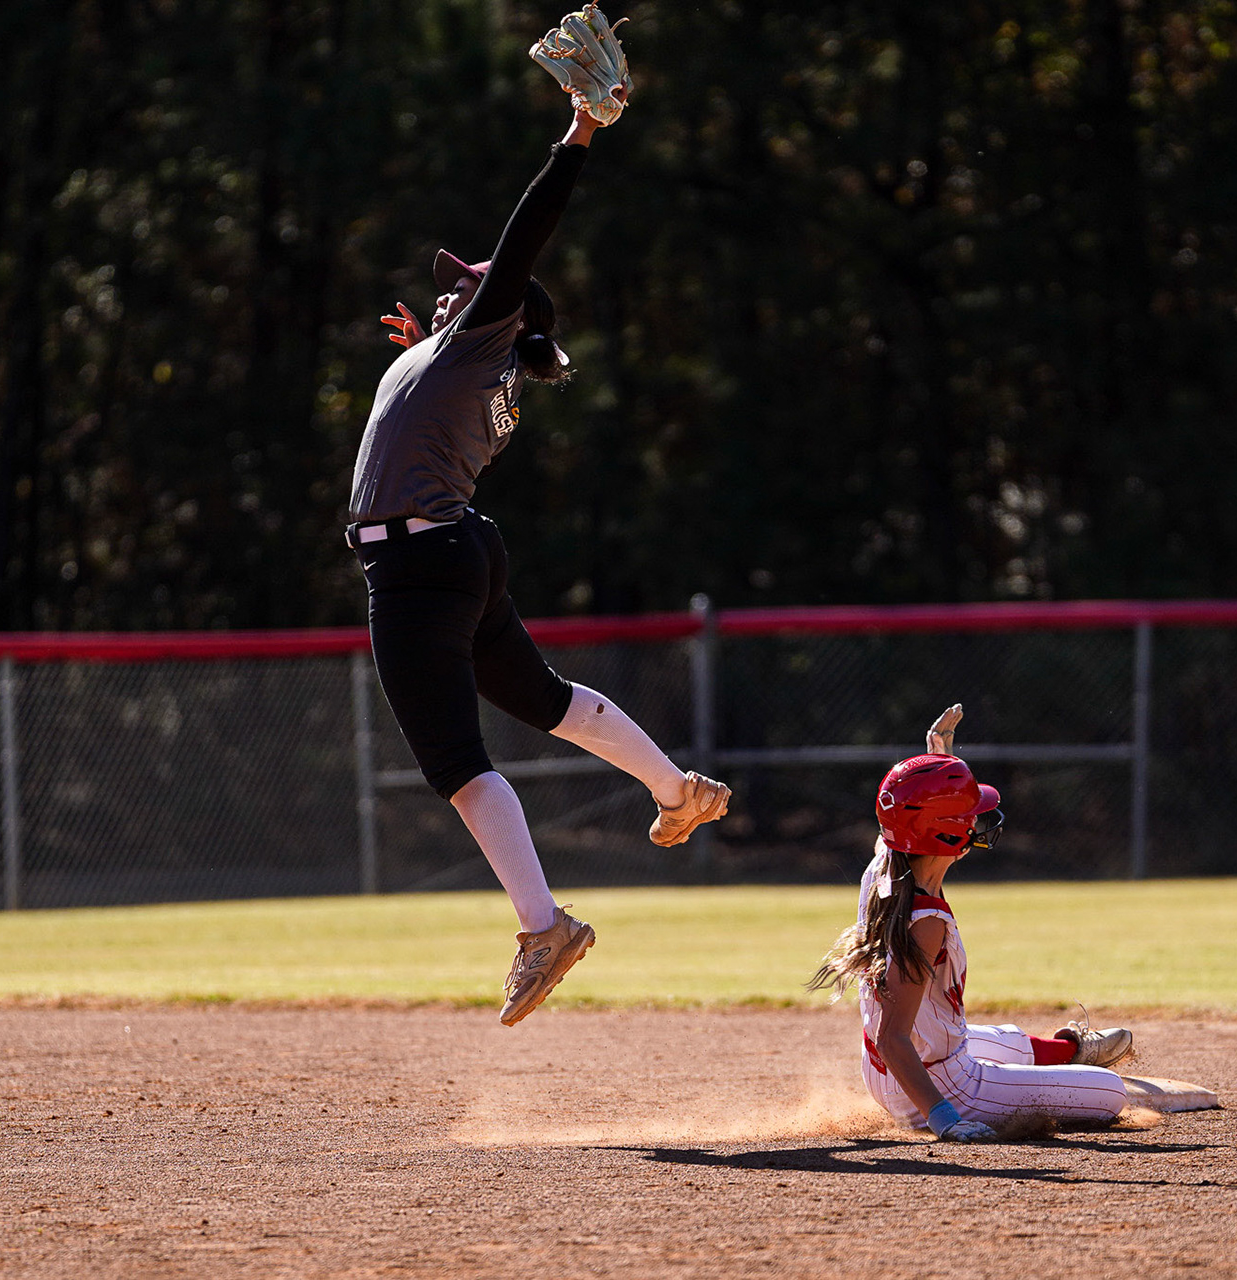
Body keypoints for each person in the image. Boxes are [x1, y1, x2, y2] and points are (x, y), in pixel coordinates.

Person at [346, 13, 728, 1028]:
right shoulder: (468, 361)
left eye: (466, 291)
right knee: (547, 699)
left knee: (455, 761)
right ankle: (677, 789)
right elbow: (436, 393)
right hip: (459, 550)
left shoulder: (482, 341)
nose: (451, 296)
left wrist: (580, 132)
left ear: (504, 313)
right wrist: (422, 352)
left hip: (420, 565)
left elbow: (527, 235)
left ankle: (543, 925)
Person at [809, 706, 1135, 1142]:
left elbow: (908, 817)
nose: (977, 820)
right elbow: (892, 1038)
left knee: (996, 1038)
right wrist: (944, 1117)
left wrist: (937, 760)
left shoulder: (885, 866)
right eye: (968, 814)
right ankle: (1068, 1070)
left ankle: (1070, 1050)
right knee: (1110, 1092)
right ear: (945, 833)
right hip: (938, 1087)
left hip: (885, 1071)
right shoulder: (926, 924)